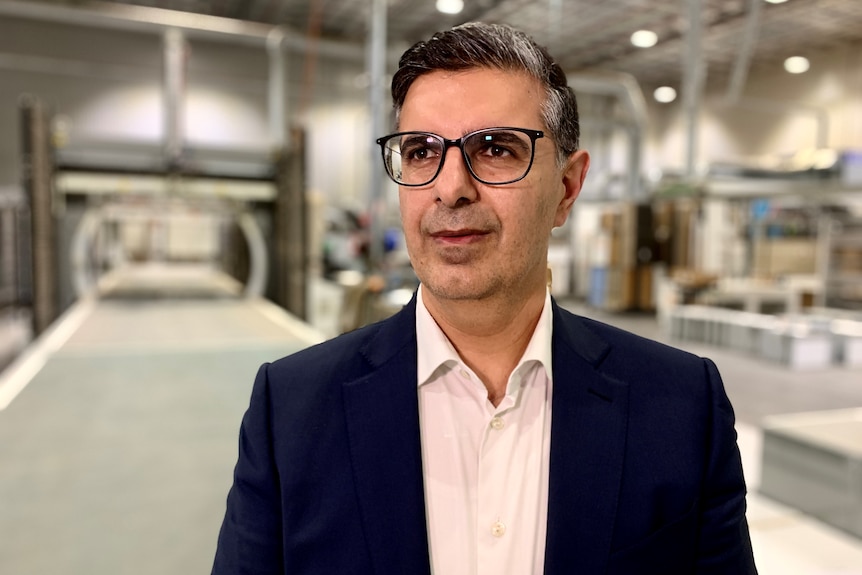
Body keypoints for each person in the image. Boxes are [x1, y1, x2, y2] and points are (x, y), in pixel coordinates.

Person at [211, 22, 757, 575]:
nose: (451, 188)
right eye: (422, 151)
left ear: (567, 188)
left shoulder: (680, 407)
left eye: (495, 149)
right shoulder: (292, 409)